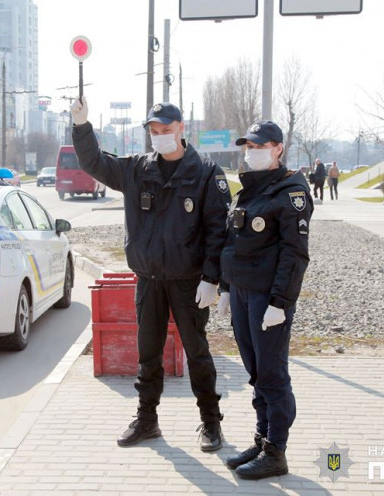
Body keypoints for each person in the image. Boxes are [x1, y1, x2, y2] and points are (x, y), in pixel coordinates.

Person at [70, 97, 232, 452]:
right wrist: (82, 127)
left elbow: (218, 229)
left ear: (181, 129)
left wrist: (212, 278)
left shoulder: (205, 172)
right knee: (148, 354)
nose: (160, 136)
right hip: (149, 280)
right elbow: (94, 162)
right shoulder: (137, 169)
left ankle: (210, 422)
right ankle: (147, 420)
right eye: (154, 131)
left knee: (198, 353)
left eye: (166, 130)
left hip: (189, 282)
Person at [216, 121, 313, 480]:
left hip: (267, 298)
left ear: (278, 149)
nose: (251, 151)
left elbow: (294, 255)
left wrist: (280, 302)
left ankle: (277, 451)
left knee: (272, 375)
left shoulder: (291, 192)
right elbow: (234, 242)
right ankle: (262, 439)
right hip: (242, 293)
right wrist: (226, 287)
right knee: (255, 373)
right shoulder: (250, 189)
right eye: (247, 146)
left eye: (258, 145)